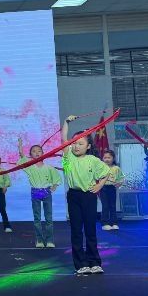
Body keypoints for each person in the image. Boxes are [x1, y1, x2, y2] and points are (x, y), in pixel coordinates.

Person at [62, 116, 110, 274]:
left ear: (88, 146)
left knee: (90, 230)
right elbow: (64, 139)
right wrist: (66, 122)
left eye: (80, 143)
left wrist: (99, 185)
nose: (76, 146)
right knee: (76, 231)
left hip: (89, 196)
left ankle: (94, 262)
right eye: (74, 143)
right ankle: (81, 264)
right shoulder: (68, 157)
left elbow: (106, 172)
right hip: (74, 196)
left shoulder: (93, 159)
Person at [17, 138, 61, 247]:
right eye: (34, 151)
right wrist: (20, 145)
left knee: (48, 217)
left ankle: (50, 240)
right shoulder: (29, 166)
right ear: (30, 155)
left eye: (39, 151)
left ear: (43, 153)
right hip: (35, 192)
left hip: (46, 192)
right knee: (37, 217)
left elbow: (56, 178)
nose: (36, 153)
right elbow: (22, 156)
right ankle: (39, 240)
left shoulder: (49, 167)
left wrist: (54, 186)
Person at [100, 150, 125, 231]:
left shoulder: (116, 168)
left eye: (109, 157)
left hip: (112, 188)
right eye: (105, 158)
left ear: (113, 158)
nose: (107, 159)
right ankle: (105, 223)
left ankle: (114, 223)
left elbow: (121, 178)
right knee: (105, 206)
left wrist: (119, 183)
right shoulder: (100, 167)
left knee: (112, 206)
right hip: (103, 188)